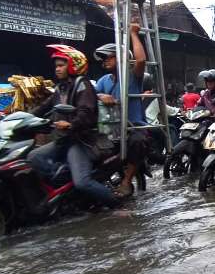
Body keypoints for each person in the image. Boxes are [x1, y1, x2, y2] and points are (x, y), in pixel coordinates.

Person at [29, 45, 119, 207]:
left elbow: (86, 113)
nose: (57, 69)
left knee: (82, 182)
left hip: (81, 141)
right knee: (33, 157)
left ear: (73, 65)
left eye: (61, 65)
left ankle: (116, 205)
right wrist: (22, 117)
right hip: (64, 139)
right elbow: (44, 107)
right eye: (56, 66)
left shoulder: (82, 85)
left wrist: (71, 124)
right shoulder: (60, 87)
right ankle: (62, 187)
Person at [93, 23, 149, 197]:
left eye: (109, 57)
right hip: (111, 129)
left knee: (137, 142)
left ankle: (126, 182)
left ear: (121, 57)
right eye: (103, 59)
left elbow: (141, 61)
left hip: (134, 127)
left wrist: (133, 34)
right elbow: (91, 95)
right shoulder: (103, 80)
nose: (105, 61)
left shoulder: (133, 75)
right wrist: (100, 96)